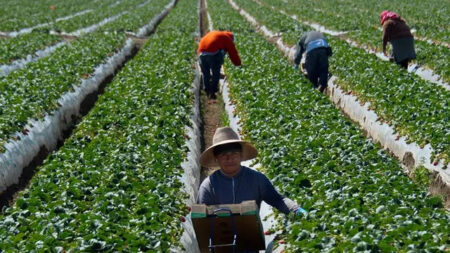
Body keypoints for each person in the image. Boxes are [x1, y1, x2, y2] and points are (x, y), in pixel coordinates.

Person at [197, 127, 307, 216]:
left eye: (234, 154)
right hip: (218, 239)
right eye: (223, 155)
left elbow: (278, 200)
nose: (229, 159)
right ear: (216, 159)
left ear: (241, 155)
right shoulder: (209, 186)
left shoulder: (256, 179)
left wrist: (296, 210)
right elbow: (201, 216)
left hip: (252, 238)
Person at [198, 31, 242, 102]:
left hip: (201, 53)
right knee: (216, 72)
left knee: (205, 73)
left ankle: (207, 90)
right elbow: (233, 53)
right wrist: (238, 64)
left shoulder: (216, 34)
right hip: (213, 53)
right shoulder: (227, 38)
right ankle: (213, 91)